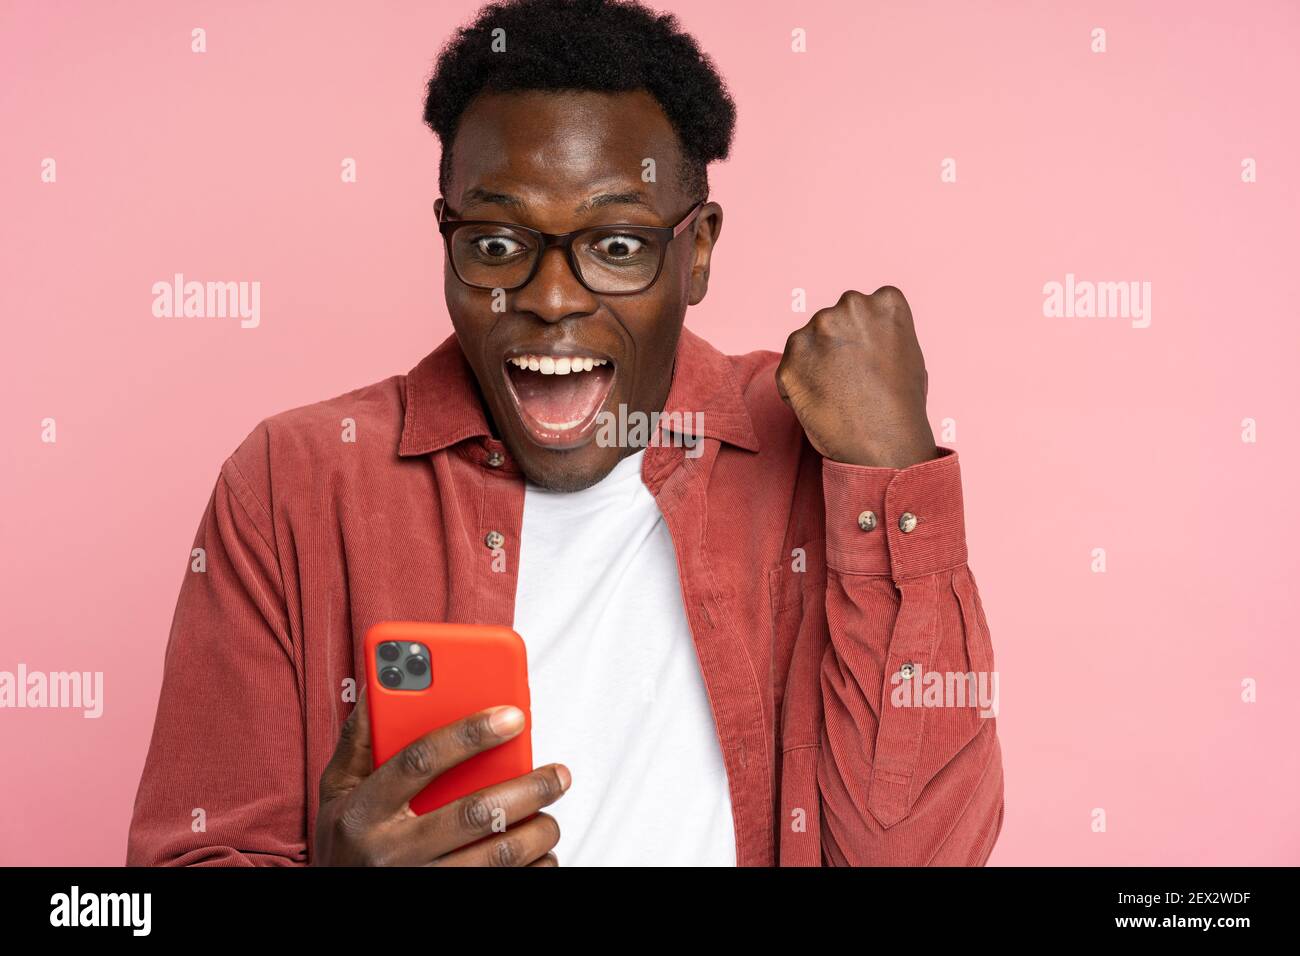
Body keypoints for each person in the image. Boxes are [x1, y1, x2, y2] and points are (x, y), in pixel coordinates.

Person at [127, 0, 1004, 867]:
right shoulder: (294, 483)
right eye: (498, 242)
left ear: (696, 252)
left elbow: (922, 856)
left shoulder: (823, 456)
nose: (549, 298)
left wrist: (891, 472)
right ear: (446, 238)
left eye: (618, 245)